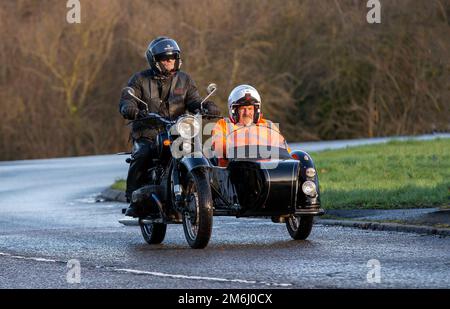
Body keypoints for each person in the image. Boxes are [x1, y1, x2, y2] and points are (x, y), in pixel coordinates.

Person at [119, 36, 220, 217]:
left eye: (172, 57)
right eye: (165, 58)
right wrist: (129, 108)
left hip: (178, 130)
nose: (169, 61)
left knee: (198, 152)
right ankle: (132, 198)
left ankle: (206, 192)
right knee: (142, 154)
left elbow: (194, 101)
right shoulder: (139, 79)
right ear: (155, 60)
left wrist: (206, 106)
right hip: (148, 132)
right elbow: (128, 98)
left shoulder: (185, 80)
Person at [211, 85, 290, 166]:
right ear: (234, 110)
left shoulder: (268, 125)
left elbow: (284, 151)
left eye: (250, 109)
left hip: (264, 173)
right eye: (242, 109)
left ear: (256, 110)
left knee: (300, 156)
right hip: (233, 172)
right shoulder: (223, 124)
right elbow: (218, 145)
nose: (247, 113)